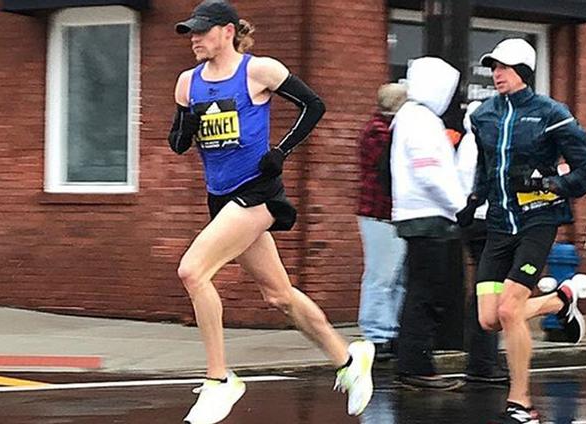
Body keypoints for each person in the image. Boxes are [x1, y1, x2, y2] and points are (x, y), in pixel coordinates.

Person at [170, 1, 374, 423]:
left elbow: (313, 106)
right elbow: (176, 143)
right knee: (279, 296)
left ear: (227, 32)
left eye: (202, 31)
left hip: (258, 192)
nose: (194, 38)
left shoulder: (258, 71)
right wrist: (187, 125)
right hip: (220, 197)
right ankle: (348, 359)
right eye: (190, 32)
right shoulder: (188, 83)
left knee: (192, 271)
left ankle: (218, 380)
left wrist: (281, 151)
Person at [457, 38, 586, 423]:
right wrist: (473, 201)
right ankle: (560, 301)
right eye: (493, 67)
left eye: (502, 67)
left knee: (509, 308)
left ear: (523, 71)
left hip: (539, 221)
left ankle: (521, 405)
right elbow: (485, 169)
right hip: (500, 225)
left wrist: (549, 185)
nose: (496, 74)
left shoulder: (552, 114)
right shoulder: (483, 115)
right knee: (489, 318)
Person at [390, 56, 467, 391]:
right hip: (429, 217)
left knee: (419, 290)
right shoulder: (421, 121)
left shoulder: (409, 117)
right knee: (426, 291)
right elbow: (430, 171)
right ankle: (416, 365)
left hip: (418, 216)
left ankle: (413, 361)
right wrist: (459, 206)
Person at [455, 100, 509, 385]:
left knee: (483, 289)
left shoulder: (465, 144)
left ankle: (481, 358)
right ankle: (483, 362)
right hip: (487, 222)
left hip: (472, 223)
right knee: (491, 292)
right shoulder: (482, 145)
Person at [356, 83, 407, 360]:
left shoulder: (381, 129)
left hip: (390, 213)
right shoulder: (379, 132)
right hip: (378, 213)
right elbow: (390, 166)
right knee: (380, 276)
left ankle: (391, 330)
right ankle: (376, 333)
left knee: (396, 278)